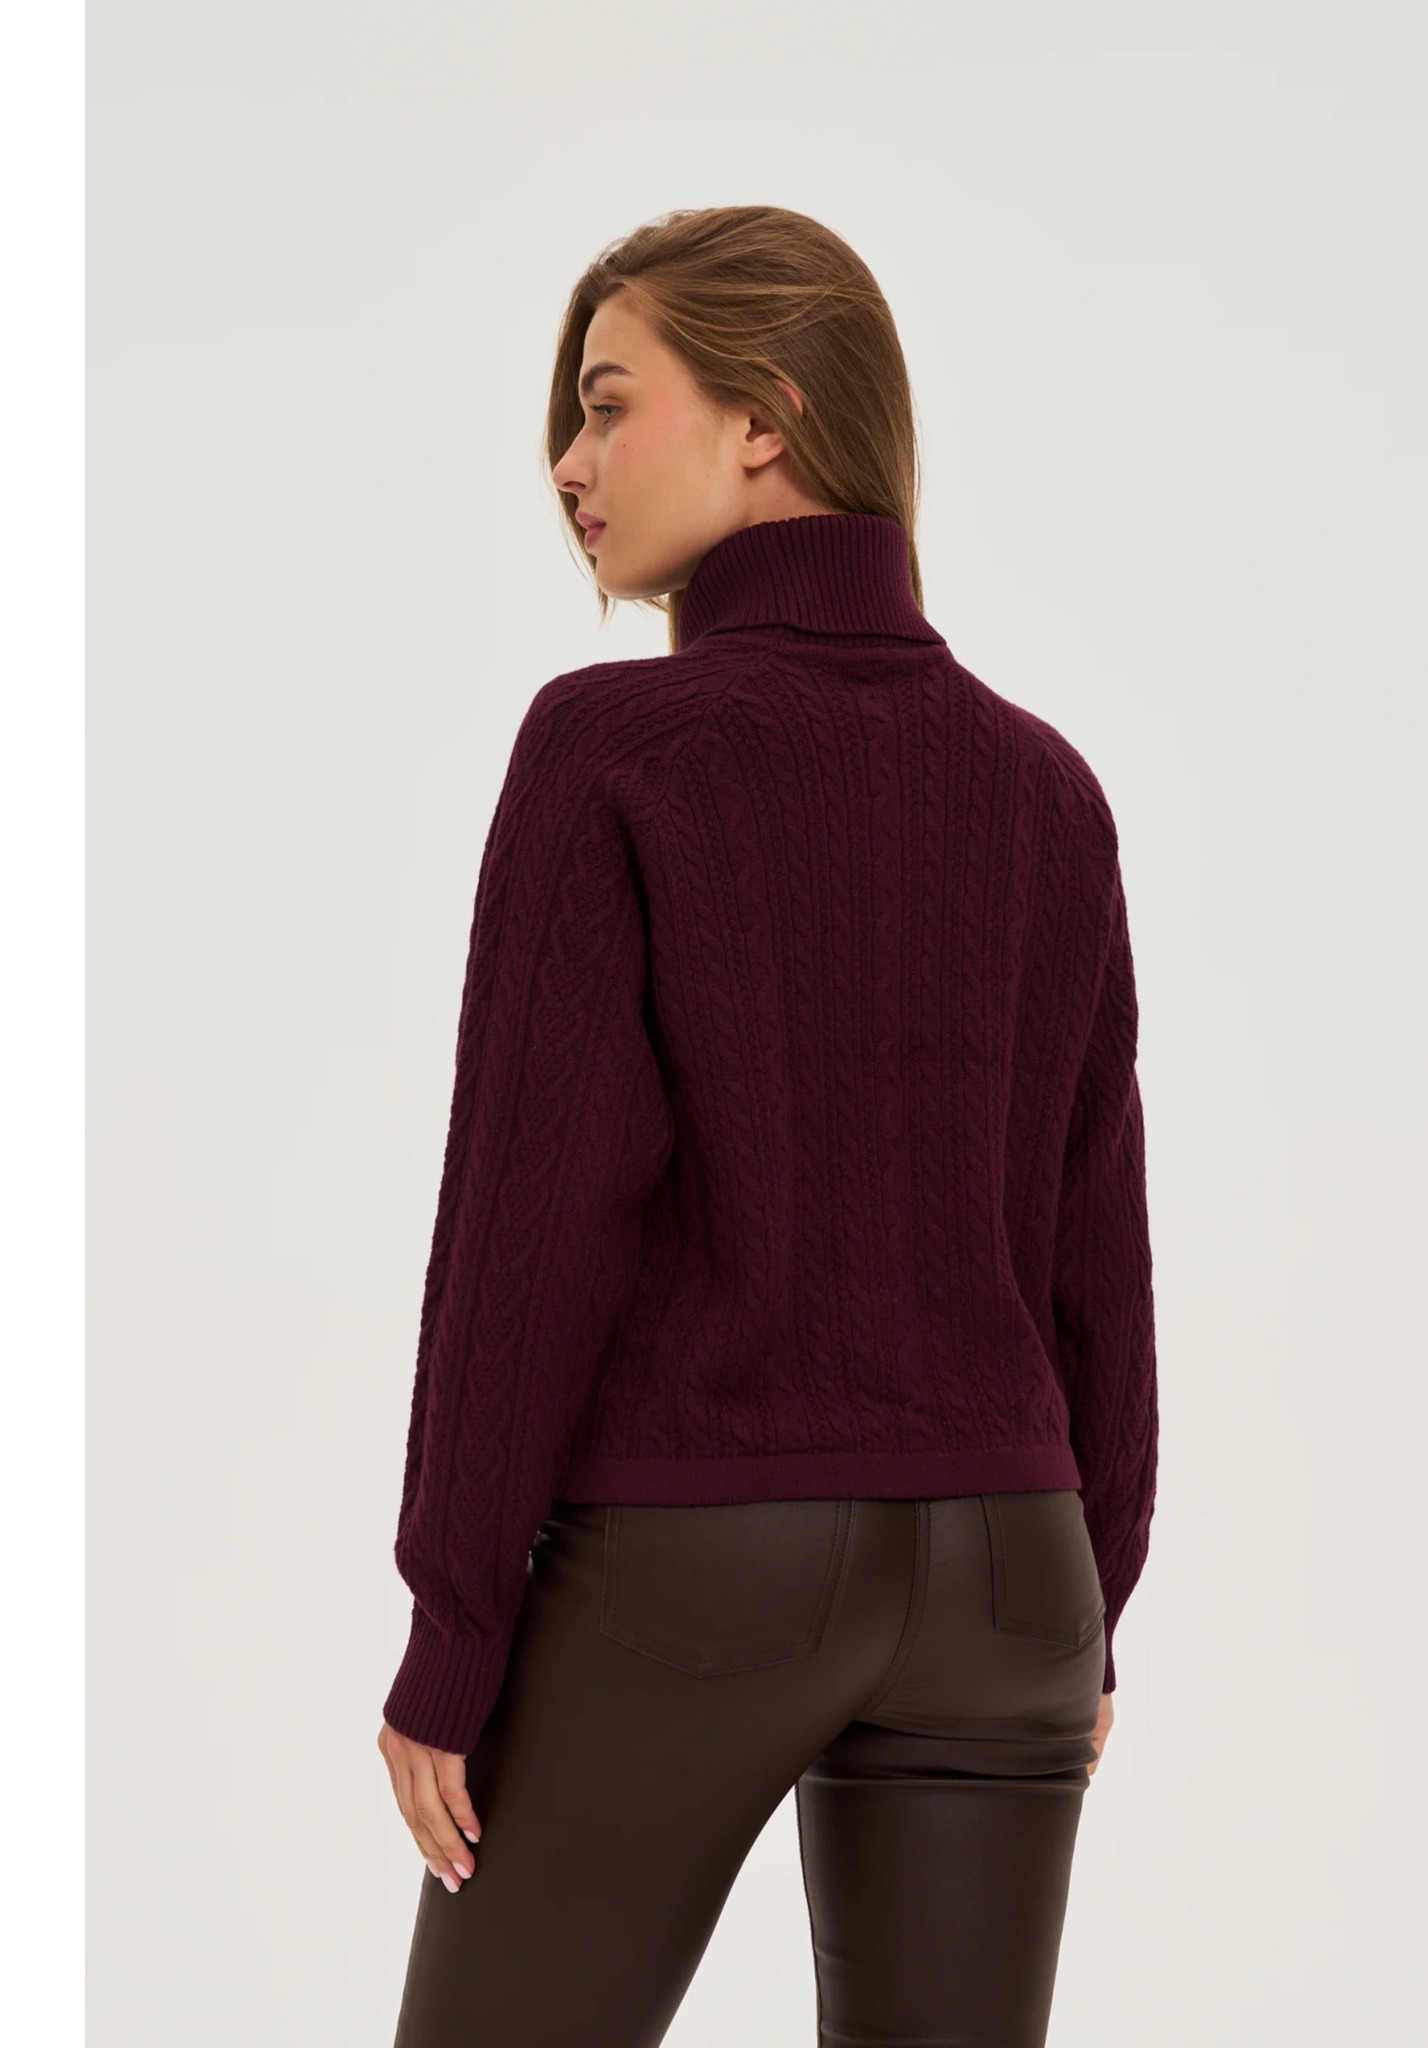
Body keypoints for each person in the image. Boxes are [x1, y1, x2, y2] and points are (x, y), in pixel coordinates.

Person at [376, 203, 1159, 2048]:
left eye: (606, 404)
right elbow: (1095, 1248)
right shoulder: (1047, 789)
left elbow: (529, 1229)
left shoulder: (613, 748)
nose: (566, 465)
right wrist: (1092, 1592)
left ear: (765, 417)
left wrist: (453, 1625)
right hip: (1012, 1567)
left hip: (699, 1554)